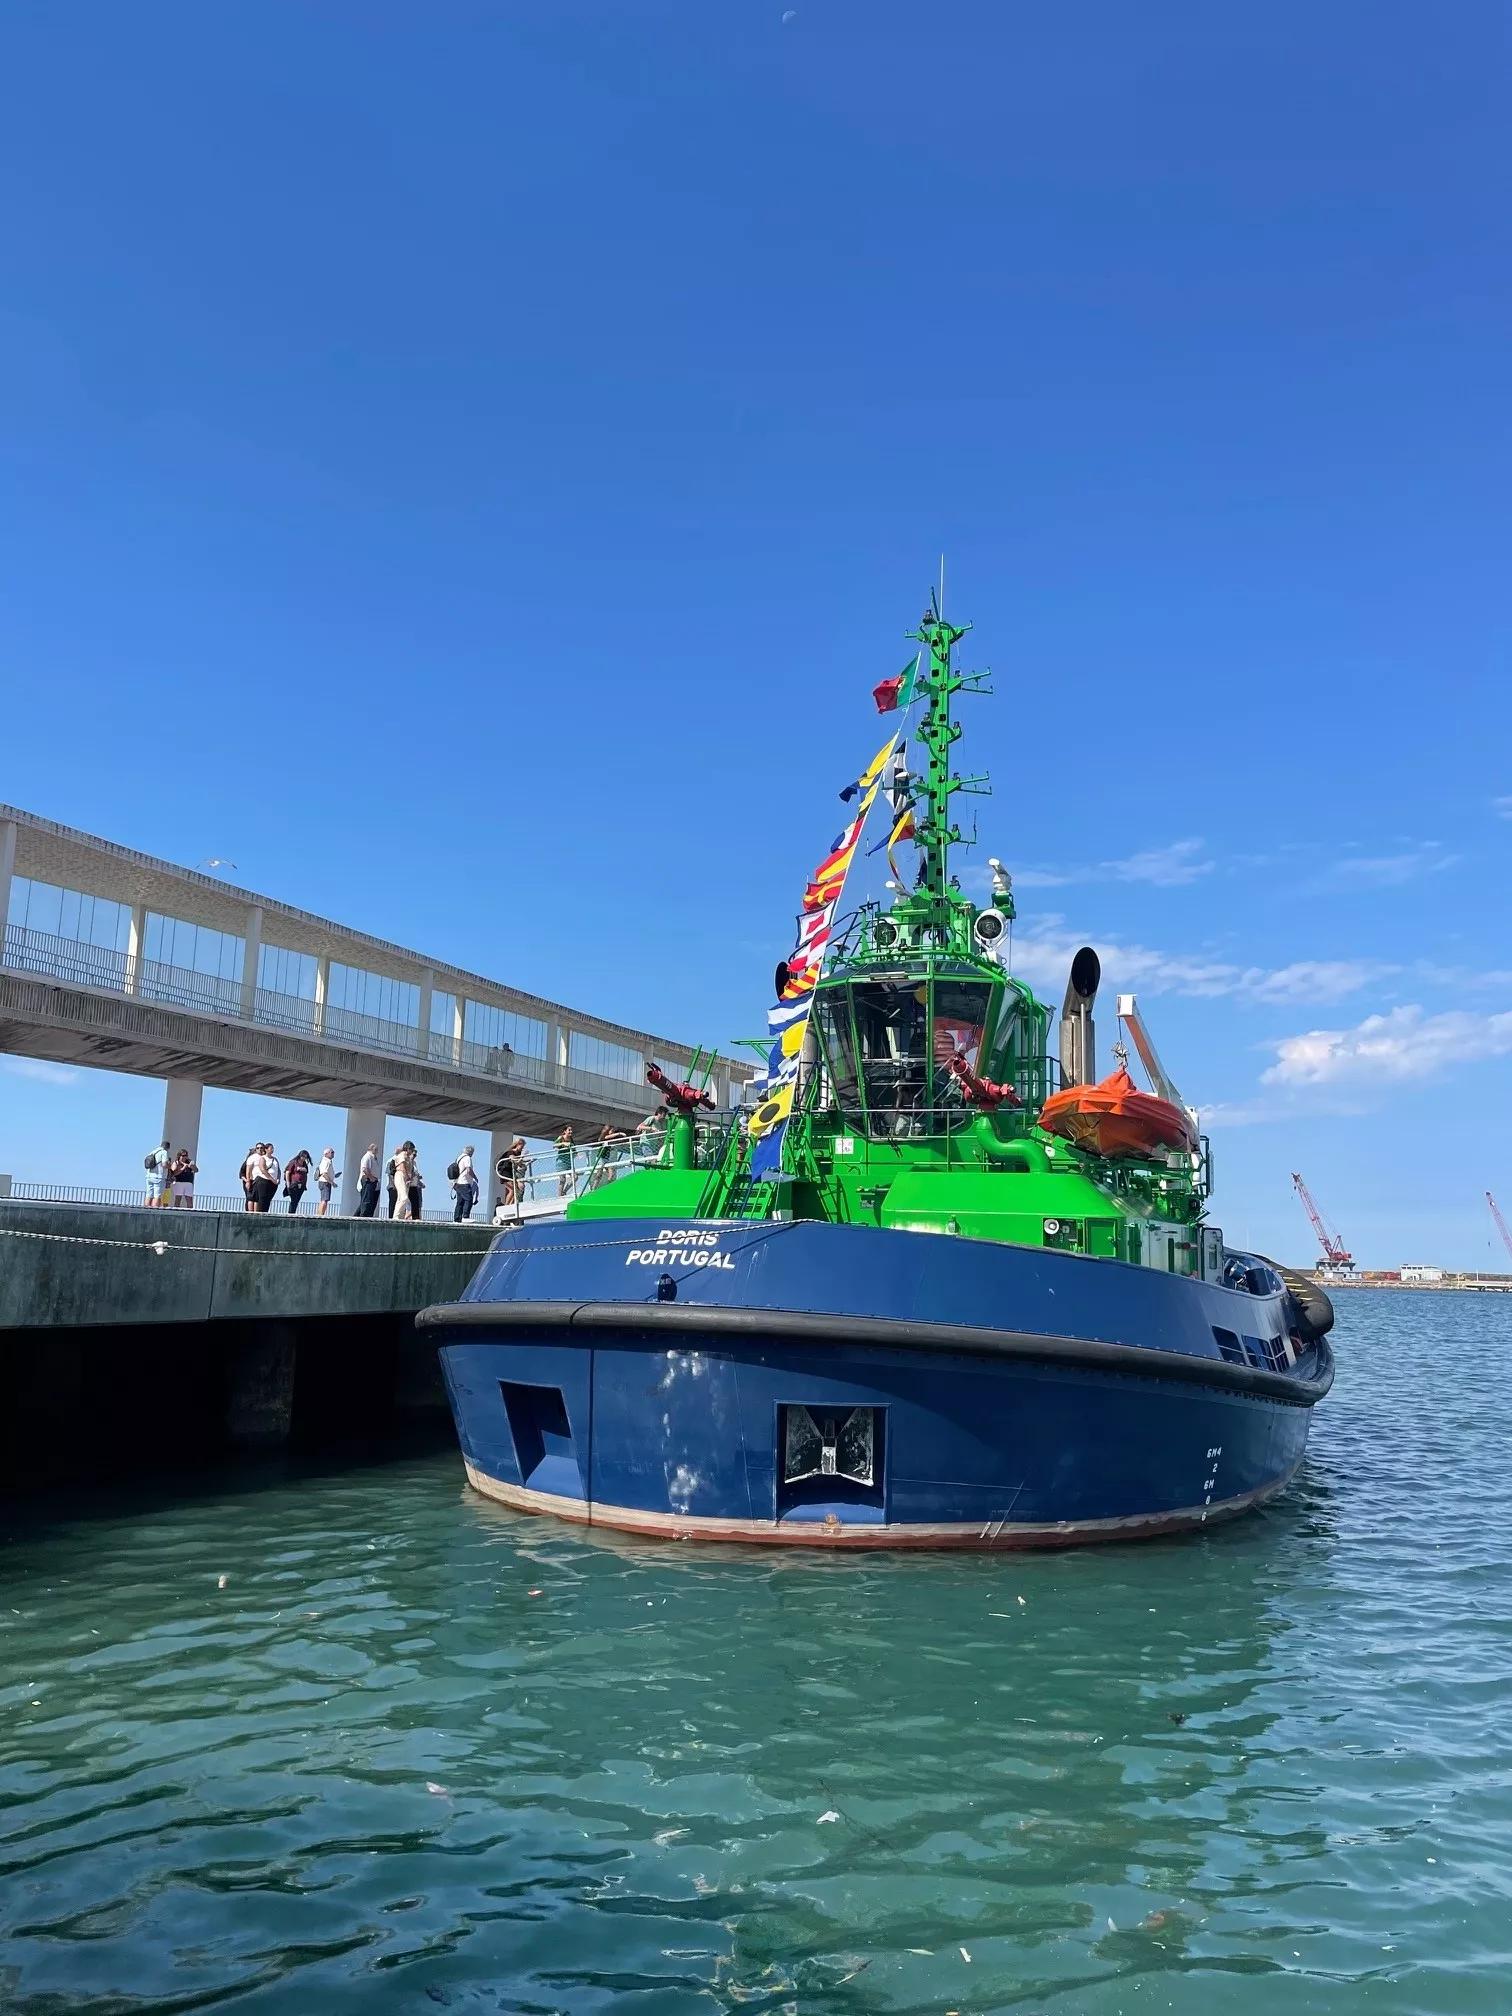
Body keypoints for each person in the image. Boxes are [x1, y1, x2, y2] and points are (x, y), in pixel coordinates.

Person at [495, 1135, 528, 1208]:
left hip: (511, 1172)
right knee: (512, 1189)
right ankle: (506, 1206)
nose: (522, 1148)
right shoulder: (510, 1152)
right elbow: (513, 1159)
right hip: (505, 1171)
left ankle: (510, 1205)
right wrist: (522, 1157)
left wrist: (524, 1161)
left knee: (513, 1190)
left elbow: (519, 1163)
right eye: (522, 1146)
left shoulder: (518, 1153)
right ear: (517, 1144)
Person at [451, 1143, 479, 1222]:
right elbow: (469, 1170)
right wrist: (475, 1177)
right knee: (469, 1199)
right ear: (471, 1152)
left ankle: (457, 1218)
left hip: (457, 1182)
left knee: (460, 1201)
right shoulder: (467, 1158)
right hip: (464, 1182)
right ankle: (465, 1216)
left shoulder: (459, 1158)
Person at [248, 1144, 277, 1214]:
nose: (272, 1150)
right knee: (260, 1199)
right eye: (271, 1148)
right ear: (266, 1149)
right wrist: (271, 1179)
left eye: (273, 1148)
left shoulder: (275, 1159)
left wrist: (278, 1178)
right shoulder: (262, 1158)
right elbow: (263, 1169)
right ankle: (258, 1215)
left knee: (268, 1200)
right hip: (263, 1181)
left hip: (273, 1183)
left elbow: (278, 1170)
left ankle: (265, 1214)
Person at [356, 1142, 380, 1218]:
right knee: (367, 1201)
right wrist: (371, 1178)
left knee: (371, 1201)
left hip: (373, 1181)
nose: (377, 1151)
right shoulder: (367, 1156)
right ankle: (363, 1217)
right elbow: (365, 1168)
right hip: (368, 1180)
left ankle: (362, 1216)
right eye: (376, 1149)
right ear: (372, 1149)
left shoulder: (373, 1157)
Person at [284, 1148, 312, 1214]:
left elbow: (306, 1172)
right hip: (294, 1184)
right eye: (303, 1156)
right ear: (300, 1155)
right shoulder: (293, 1162)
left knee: (297, 1200)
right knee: (294, 1200)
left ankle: (292, 1213)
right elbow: (287, 1172)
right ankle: (290, 1214)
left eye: (305, 1157)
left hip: (302, 1185)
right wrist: (288, 1184)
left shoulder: (305, 1164)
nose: (304, 1158)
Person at [145, 1139, 170, 1208]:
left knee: (149, 1195)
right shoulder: (164, 1152)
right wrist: (169, 1165)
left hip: (149, 1176)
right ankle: (155, 1210)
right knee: (157, 1195)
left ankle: (146, 1209)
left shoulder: (153, 1151)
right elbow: (164, 1164)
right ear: (167, 1147)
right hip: (158, 1176)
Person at [315, 1147, 340, 1216]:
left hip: (325, 1182)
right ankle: (320, 1215)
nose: (333, 1154)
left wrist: (334, 1175)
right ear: (326, 1154)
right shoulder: (326, 1161)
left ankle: (319, 1214)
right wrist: (332, 1182)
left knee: (323, 1200)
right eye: (332, 1152)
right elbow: (324, 1173)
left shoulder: (328, 1161)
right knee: (324, 1200)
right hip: (325, 1182)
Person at [555, 1124, 575, 1197]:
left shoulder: (571, 1138)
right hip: (561, 1162)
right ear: (565, 1131)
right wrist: (563, 1143)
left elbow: (574, 1148)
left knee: (575, 1177)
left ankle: (564, 1191)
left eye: (571, 1130)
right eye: (569, 1130)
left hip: (569, 1162)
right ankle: (559, 1196)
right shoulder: (561, 1137)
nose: (571, 1131)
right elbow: (554, 1145)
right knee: (562, 1180)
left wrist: (577, 1154)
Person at [385, 1150, 399, 1219]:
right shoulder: (391, 1161)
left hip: (397, 1186)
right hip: (392, 1186)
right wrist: (394, 1185)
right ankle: (391, 1218)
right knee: (393, 1203)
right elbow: (390, 1174)